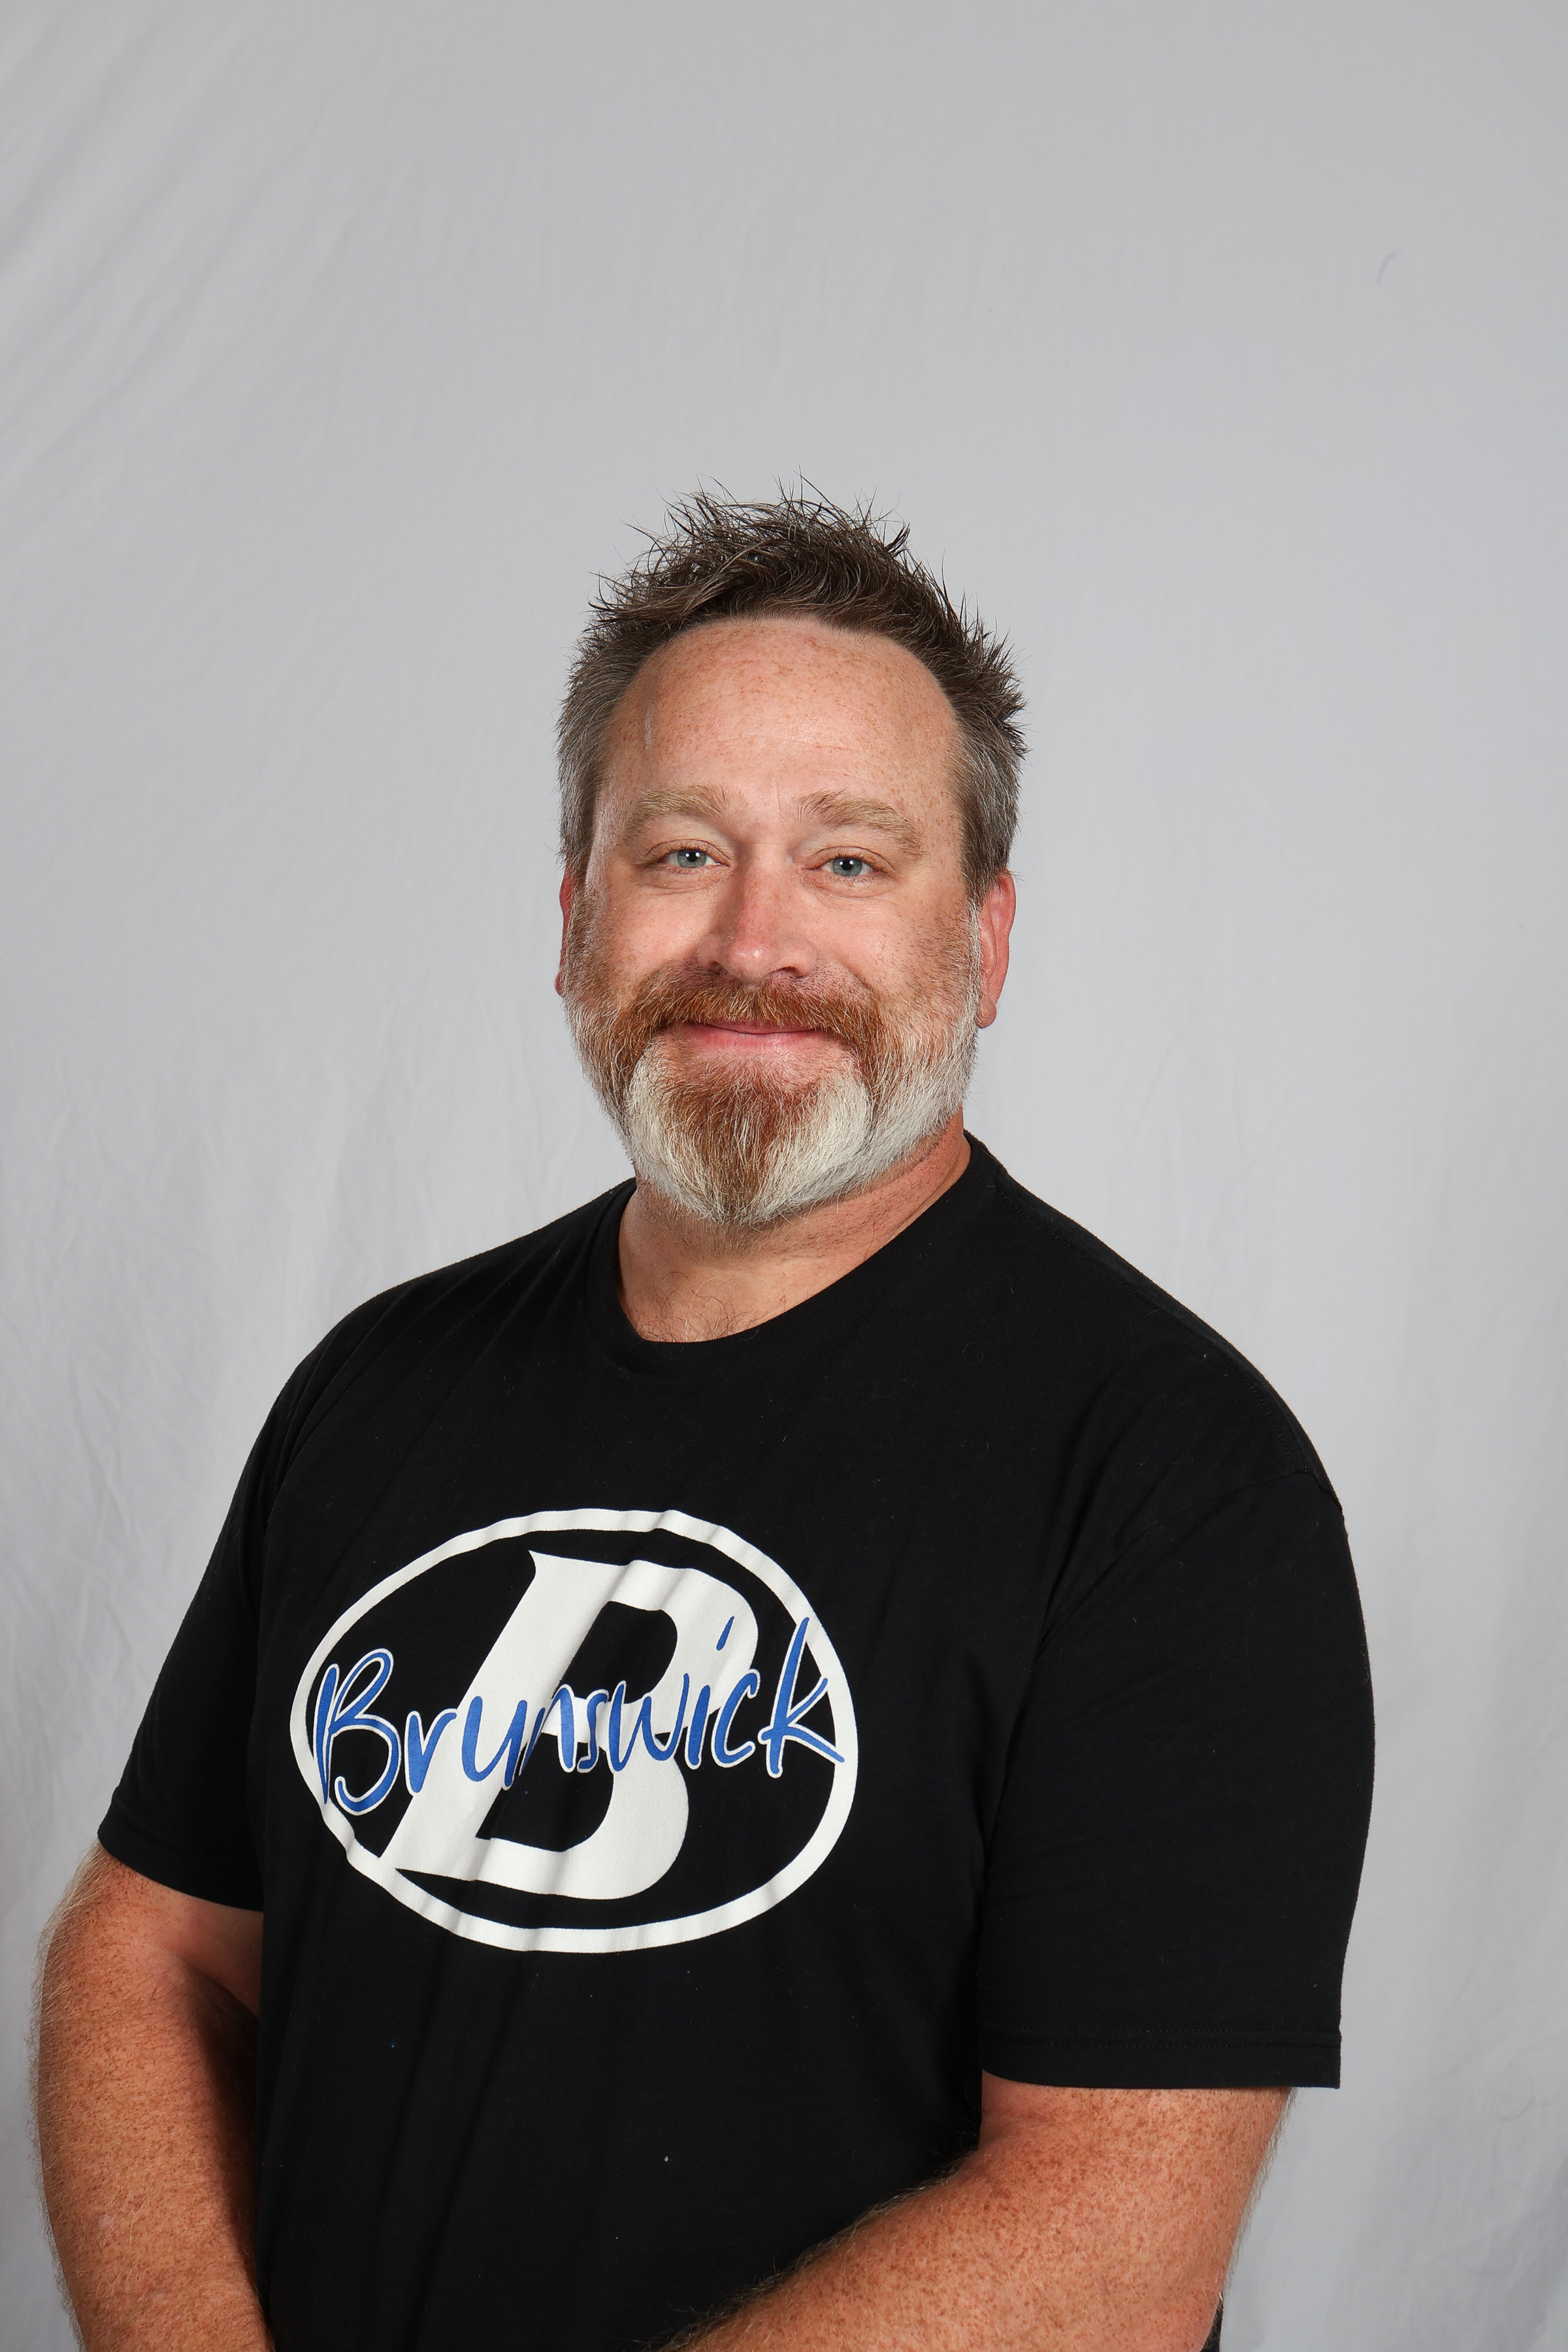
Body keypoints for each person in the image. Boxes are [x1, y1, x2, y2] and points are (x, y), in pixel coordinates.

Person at [35, 491, 1374, 2352]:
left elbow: (1112, 2247)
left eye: (850, 860)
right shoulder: (380, 1385)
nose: (756, 939)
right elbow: (156, 1949)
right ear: (575, 921)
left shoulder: (1172, 1482)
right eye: (682, 851)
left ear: (985, 942)